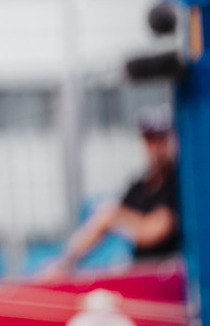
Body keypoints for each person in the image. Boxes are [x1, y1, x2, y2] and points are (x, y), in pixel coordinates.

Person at [44, 104, 181, 278]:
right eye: (149, 138)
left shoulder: (179, 182)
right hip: (142, 272)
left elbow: (156, 229)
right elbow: (102, 224)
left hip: (171, 274)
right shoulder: (140, 186)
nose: (154, 146)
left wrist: (115, 217)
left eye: (159, 138)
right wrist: (66, 262)